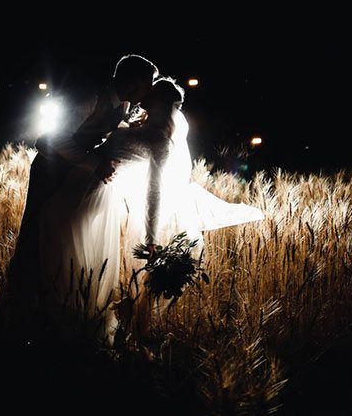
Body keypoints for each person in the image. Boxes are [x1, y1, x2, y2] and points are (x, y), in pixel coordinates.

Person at [37, 78, 264, 346]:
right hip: (78, 186)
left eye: (150, 96)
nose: (142, 99)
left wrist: (151, 236)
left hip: (97, 198)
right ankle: (54, 323)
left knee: (80, 261)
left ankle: (74, 330)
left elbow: (154, 191)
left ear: (161, 104)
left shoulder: (160, 141)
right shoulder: (135, 126)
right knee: (58, 251)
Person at [0, 54, 159, 345]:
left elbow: (100, 128)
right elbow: (55, 138)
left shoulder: (125, 103)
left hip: (74, 172)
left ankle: (53, 305)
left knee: (59, 237)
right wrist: (95, 164)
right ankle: (19, 310)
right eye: (149, 83)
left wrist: (128, 128)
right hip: (50, 169)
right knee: (37, 232)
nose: (151, 88)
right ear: (134, 82)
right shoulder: (90, 96)